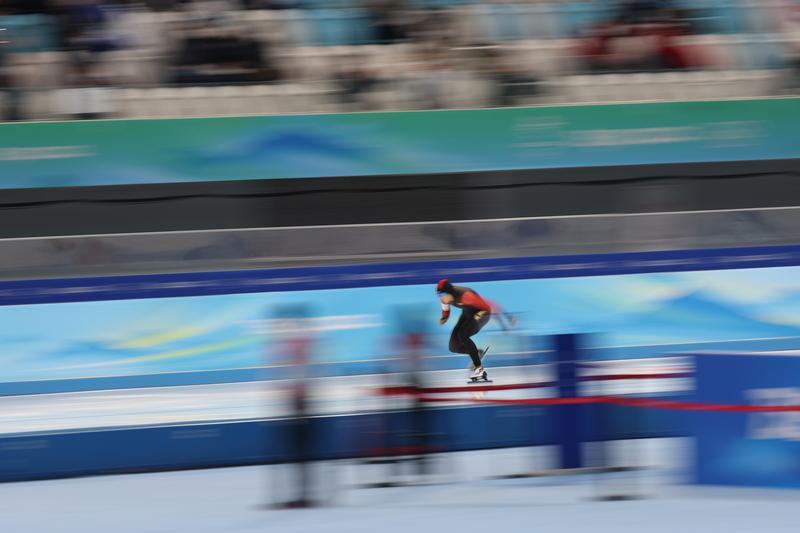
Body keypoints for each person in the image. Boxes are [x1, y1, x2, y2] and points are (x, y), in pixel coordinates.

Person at [436, 279, 514, 381]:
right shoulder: (445, 298)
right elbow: (445, 310)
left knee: (463, 334)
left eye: (441, 295)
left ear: (449, 293)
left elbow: (489, 306)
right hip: (467, 312)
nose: (441, 298)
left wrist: (504, 323)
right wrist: (444, 318)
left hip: (483, 312)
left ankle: (479, 369)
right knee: (453, 347)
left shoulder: (466, 295)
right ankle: (477, 353)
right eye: (438, 296)